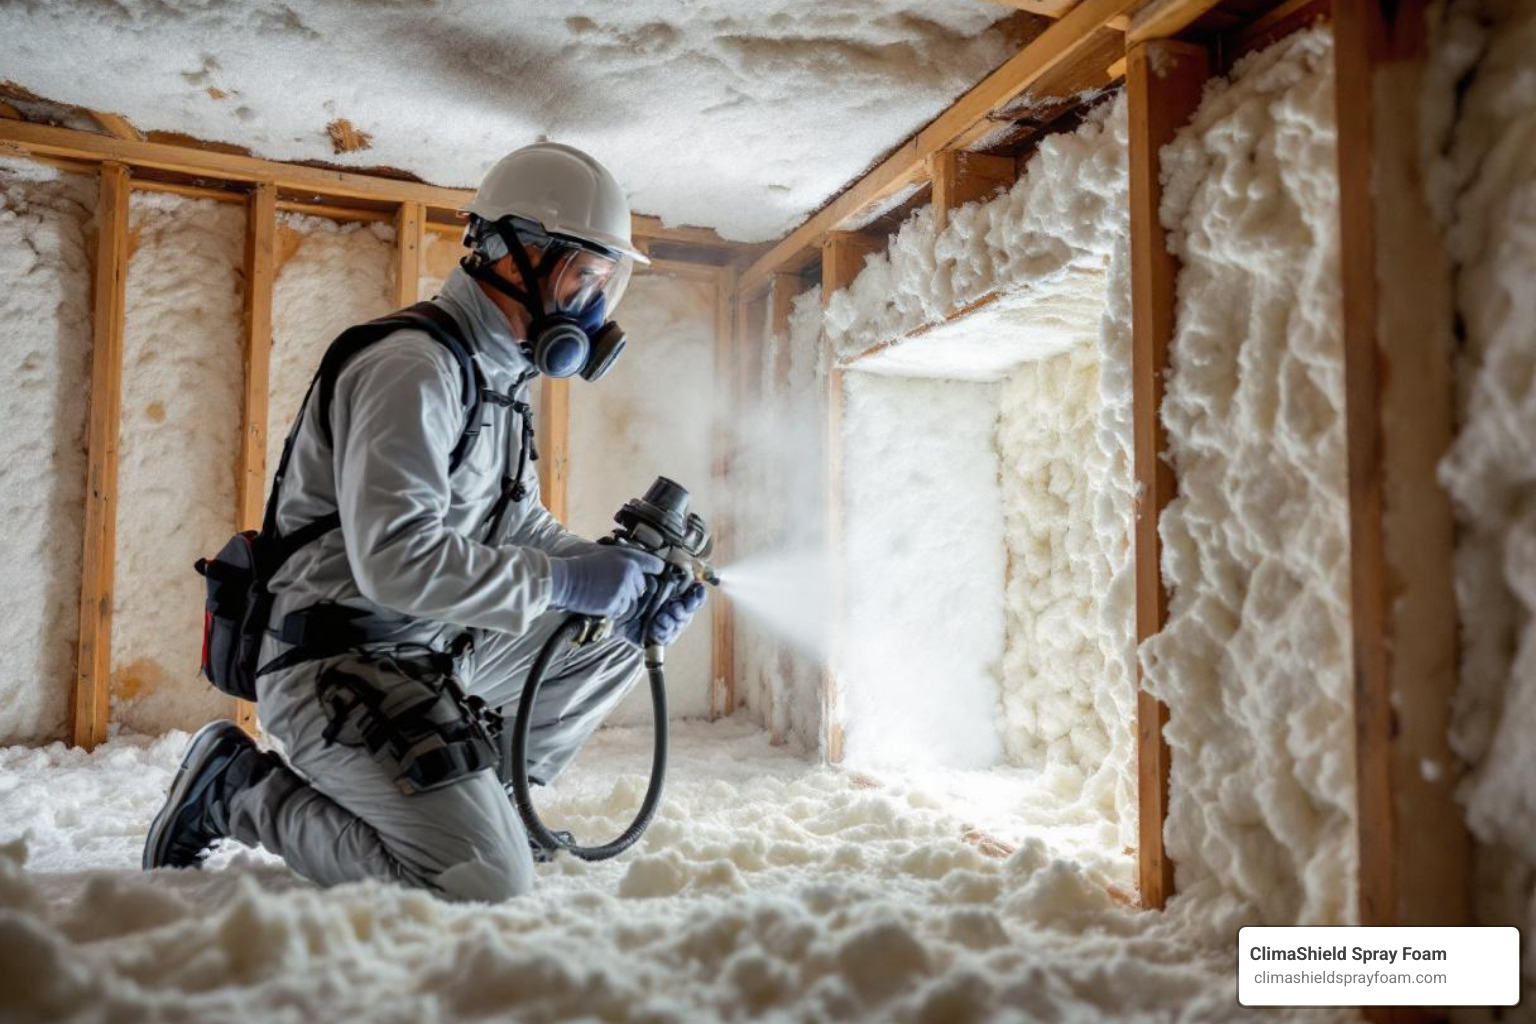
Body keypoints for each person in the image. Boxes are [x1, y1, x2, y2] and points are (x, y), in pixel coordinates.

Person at [142, 143, 708, 901]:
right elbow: (397, 561)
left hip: (430, 647)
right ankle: (238, 789)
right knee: (477, 891)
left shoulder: (501, 377)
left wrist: (621, 585)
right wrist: (572, 579)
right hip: (337, 659)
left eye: (607, 282)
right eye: (585, 275)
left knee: (616, 635)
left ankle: (486, 808)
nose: (595, 306)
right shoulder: (414, 367)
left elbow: (517, 526)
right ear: (518, 255)